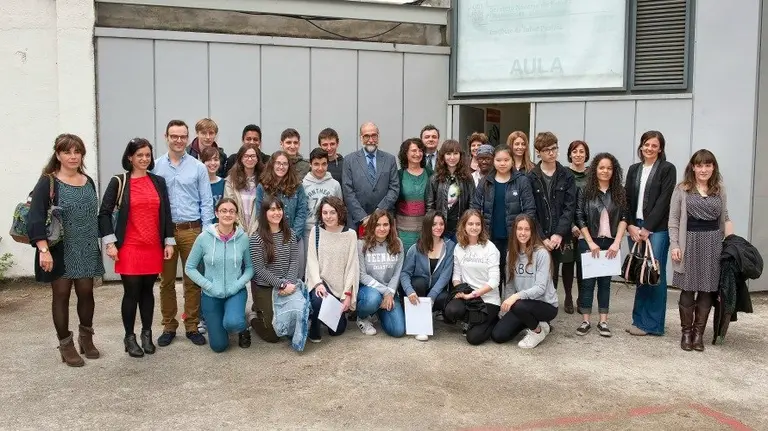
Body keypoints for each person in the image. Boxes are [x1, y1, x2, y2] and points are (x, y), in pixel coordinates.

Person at [28, 134, 105, 367]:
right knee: (61, 297)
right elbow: (35, 217)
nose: (73, 156)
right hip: (59, 249)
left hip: (86, 247)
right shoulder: (48, 182)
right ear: (58, 154)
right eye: (67, 152)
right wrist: (43, 250)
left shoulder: (88, 180)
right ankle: (65, 344)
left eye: (77, 152)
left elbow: (94, 215)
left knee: (86, 294)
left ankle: (86, 338)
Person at [98, 138, 175, 358]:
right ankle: (129, 337)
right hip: (129, 247)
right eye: (139, 155)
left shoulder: (158, 181)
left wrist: (168, 241)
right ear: (130, 157)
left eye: (147, 155)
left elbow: (166, 213)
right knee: (131, 292)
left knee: (148, 291)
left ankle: (147, 334)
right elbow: (104, 213)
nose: (144, 159)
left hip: (153, 246)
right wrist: (110, 242)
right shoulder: (119, 181)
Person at [152, 119, 215, 347]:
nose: (178, 140)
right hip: (166, 233)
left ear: (188, 138)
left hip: (192, 231)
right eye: (174, 136)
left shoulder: (198, 167)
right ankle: (169, 326)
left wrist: (206, 232)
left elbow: (206, 202)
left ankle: (191, 326)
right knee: (166, 281)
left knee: (192, 281)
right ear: (166, 137)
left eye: (182, 136)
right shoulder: (156, 166)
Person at [669, 149, 733, 352]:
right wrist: (675, 245)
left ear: (713, 167)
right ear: (693, 167)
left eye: (708, 165)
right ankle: (686, 333)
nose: (703, 169)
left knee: (707, 290)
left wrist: (731, 243)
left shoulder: (719, 189)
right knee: (688, 289)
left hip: (713, 243)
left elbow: (725, 216)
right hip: (689, 243)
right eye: (699, 165)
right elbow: (674, 220)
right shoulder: (683, 189)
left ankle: (698, 335)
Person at [184, 198, 254, 353]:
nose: (227, 214)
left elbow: (250, 268)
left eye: (231, 211)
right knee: (219, 346)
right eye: (223, 210)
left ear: (236, 216)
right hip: (211, 294)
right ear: (216, 213)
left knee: (233, 322)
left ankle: (242, 328)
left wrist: (237, 284)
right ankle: (220, 322)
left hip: (235, 292)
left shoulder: (243, 239)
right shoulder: (203, 238)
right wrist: (208, 285)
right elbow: (189, 268)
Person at [624, 130, 676, 336]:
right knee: (640, 272)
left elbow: (664, 200)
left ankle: (652, 325)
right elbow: (626, 199)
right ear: (641, 146)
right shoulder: (634, 169)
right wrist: (629, 225)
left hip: (657, 229)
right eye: (646, 144)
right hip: (635, 227)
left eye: (654, 145)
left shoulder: (667, 169)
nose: (649, 148)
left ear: (660, 148)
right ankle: (638, 321)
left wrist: (647, 228)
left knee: (654, 273)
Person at [575, 153, 628, 337]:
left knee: (605, 284)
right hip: (590, 242)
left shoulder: (619, 191)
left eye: (609, 168)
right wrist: (590, 242)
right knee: (587, 283)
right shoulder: (585, 191)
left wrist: (617, 242)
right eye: (601, 167)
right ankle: (586, 321)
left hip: (610, 244)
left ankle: (603, 322)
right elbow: (579, 216)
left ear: (614, 171)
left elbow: (624, 218)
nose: (605, 171)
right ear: (595, 169)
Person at [472, 144, 536, 286]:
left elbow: (529, 210)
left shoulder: (522, 181)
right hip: (490, 236)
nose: (502, 163)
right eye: (499, 160)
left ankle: (510, 303)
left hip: (514, 237)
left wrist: (524, 233)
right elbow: (475, 208)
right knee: (494, 272)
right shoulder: (485, 181)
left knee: (511, 272)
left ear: (512, 161)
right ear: (493, 161)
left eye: (506, 160)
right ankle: (495, 303)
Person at [491, 214, 558, 348]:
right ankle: (533, 322)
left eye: (527, 229)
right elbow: (509, 284)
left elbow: (540, 288)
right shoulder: (511, 254)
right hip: (523, 305)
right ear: (514, 231)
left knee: (517, 305)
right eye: (519, 229)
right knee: (498, 335)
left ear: (532, 232)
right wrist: (505, 311)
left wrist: (515, 297)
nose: (523, 233)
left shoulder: (541, 253)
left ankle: (537, 330)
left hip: (545, 305)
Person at [527, 132, 577, 309]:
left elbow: (569, 207)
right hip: (540, 234)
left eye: (554, 148)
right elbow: (530, 209)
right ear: (538, 152)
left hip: (559, 234)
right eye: (547, 150)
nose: (551, 153)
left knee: (555, 272)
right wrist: (541, 236)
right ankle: (539, 308)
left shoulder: (567, 175)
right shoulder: (531, 177)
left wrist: (558, 234)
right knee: (540, 273)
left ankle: (550, 309)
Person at [249, 196, 307, 344]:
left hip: (287, 282)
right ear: (264, 213)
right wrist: (281, 284)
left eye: (279, 209)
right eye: (272, 209)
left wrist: (288, 283)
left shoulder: (290, 234)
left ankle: (264, 309)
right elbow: (259, 269)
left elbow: (294, 260)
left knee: (295, 321)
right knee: (273, 335)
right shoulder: (256, 238)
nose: (276, 213)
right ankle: (254, 317)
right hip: (265, 286)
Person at [305, 196, 360, 342]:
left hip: (339, 288)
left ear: (339, 213)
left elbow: (351, 266)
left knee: (337, 331)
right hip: (321, 284)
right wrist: (317, 283)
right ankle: (314, 327)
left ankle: (327, 316)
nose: (328, 217)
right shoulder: (315, 232)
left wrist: (347, 294)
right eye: (325, 213)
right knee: (318, 300)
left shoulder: (350, 235)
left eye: (332, 212)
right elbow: (312, 261)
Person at [446, 209, 501, 345]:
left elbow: (495, 280)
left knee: (473, 338)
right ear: (464, 226)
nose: (474, 227)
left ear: (482, 226)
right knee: (451, 310)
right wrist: (460, 290)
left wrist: (473, 295)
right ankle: (471, 320)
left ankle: (493, 320)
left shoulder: (490, 248)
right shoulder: (459, 247)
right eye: (470, 224)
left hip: (488, 299)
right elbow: (456, 275)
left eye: (478, 224)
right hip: (468, 296)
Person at [400, 211, 455, 341]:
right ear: (427, 226)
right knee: (418, 282)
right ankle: (418, 326)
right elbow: (405, 273)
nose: (438, 227)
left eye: (441, 224)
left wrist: (431, 297)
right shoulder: (416, 248)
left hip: (434, 292)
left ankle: (427, 315)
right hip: (416, 292)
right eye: (434, 224)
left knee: (445, 297)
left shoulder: (450, 247)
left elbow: (445, 276)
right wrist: (409, 291)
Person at [255, 150, 308, 277]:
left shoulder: (298, 187)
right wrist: (270, 235)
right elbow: (260, 212)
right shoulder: (262, 187)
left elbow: (302, 211)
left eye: (285, 164)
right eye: (278, 163)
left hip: (294, 236)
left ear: (289, 166)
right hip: (270, 237)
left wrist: (294, 235)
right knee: (273, 273)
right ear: (272, 165)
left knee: (297, 273)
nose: (281, 167)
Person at [355, 209, 406, 337]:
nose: (382, 228)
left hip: (390, 291)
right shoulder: (362, 244)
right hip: (369, 291)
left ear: (391, 226)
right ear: (372, 225)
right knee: (373, 299)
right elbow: (362, 275)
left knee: (398, 330)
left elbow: (397, 273)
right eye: (378, 224)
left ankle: (378, 312)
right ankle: (363, 317)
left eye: (385, 224)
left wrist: (390, 293)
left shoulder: (398, 243)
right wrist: (386, 292)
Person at [341, 122, 400, 231]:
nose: (371, 139)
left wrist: (378, 213)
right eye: (366, 136)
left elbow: (394, 188)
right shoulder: (349, 160)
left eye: (374, 135)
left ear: (378, 137)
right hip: (357, 220)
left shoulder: (389, 159)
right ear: (361, 138)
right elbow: (347, 191)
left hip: (384, 218)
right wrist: (363, 217)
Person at [426, 139, 475, 242]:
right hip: (442, 229)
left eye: (455, 153)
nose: (452, 157)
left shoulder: (467, 178)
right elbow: (430, 206)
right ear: (443, 156)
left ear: (460, 155)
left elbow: (472, 204)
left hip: (461, 229)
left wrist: (468, 225)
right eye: (448, 154)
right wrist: (435, 225)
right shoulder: (435, 178)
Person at [562, 140, 590, 314]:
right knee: (567, 262)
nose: (578, 154)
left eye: (582, 151)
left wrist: (584, 225)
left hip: (586, 227)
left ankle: (581, 298)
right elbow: (562, 202)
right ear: (570, 154)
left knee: (582, 263)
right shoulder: (564, 174)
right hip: (567, 225)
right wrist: (571, 224)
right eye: (575, 151)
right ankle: (568, 297)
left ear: (586, 154)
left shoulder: (591, 175)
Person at [396, 138, 430, 251]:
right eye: (414, 150)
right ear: (405, 153)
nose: (418, 154)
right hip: (403, 231)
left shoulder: (430, 174)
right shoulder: (398, 175)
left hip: (426, 230)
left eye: (420, 150)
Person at [224, 143, 264, 236]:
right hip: (236, 230)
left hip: (259, 232)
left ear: (258, 158)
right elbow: (229, 206)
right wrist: (239, 227)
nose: (249, 159)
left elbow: (265, 207)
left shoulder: (265, 180)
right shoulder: (231, 181)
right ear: (240, 158)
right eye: (246, 156)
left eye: (253, 156)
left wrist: (255, 229)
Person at [302, 147, 342, 239]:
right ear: (310, 164)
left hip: (329, 231)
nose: (320, 168)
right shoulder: (303, 185)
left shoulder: (335, 185)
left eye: (324, 164)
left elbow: (340, 211)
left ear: (327, 165)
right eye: (316, 164)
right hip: (308, 232)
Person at [201, 146, 226, 223]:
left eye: (216, 159)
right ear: (202, 162)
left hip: (221, 227)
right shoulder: (197, 184)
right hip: (201, 228)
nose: (213, 163)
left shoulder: (224, 183)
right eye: (208, 160)